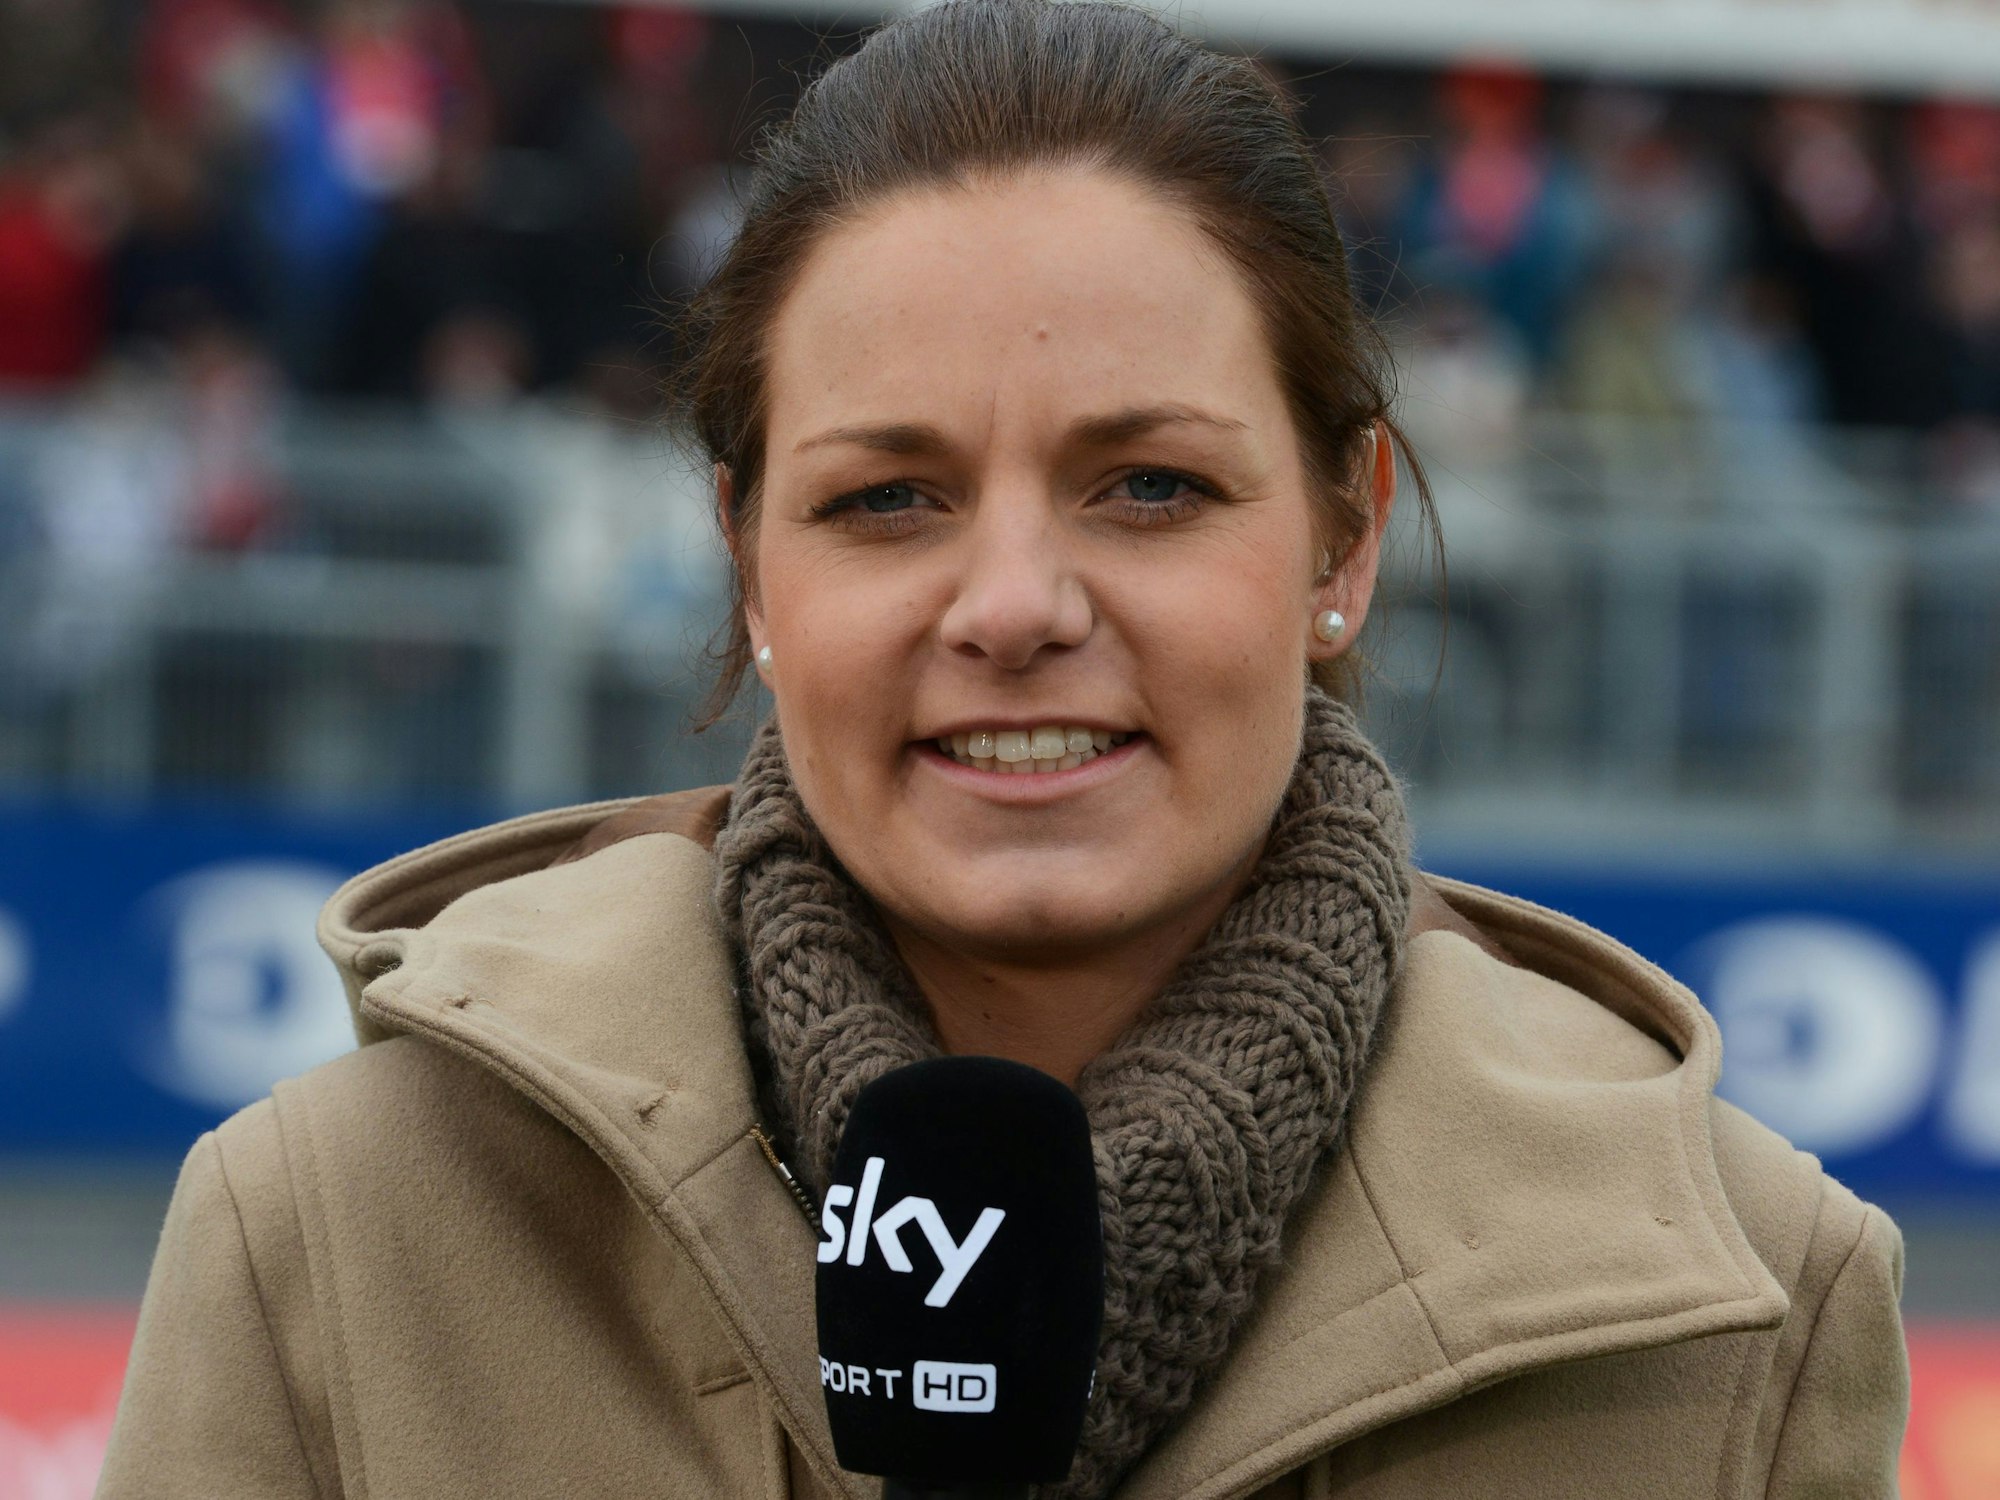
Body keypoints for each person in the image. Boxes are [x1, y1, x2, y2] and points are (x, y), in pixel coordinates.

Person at [97, 2, 1908, 1496]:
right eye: (889, 496)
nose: (1016, 602)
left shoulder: (1745, 1305)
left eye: (1149, 485)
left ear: (1345, 540)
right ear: (748, 565)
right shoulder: (331, 1229)